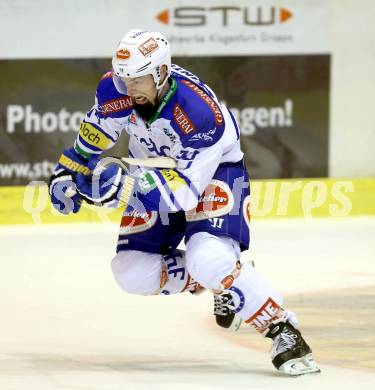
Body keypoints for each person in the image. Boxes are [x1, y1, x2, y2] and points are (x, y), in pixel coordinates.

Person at [49, 29, 320, 376]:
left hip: (212, 174)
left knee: (206, 256)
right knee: (130, 272)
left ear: (161, 73)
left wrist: (119, 188)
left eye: (138, 80)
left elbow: (183, 195)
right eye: (123, 78)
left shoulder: (199, 113)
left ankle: (282, 329)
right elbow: (94, 135)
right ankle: (223, 276)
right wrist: (64, 174)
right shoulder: (115, 90)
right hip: (152, 174)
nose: (129, 89)